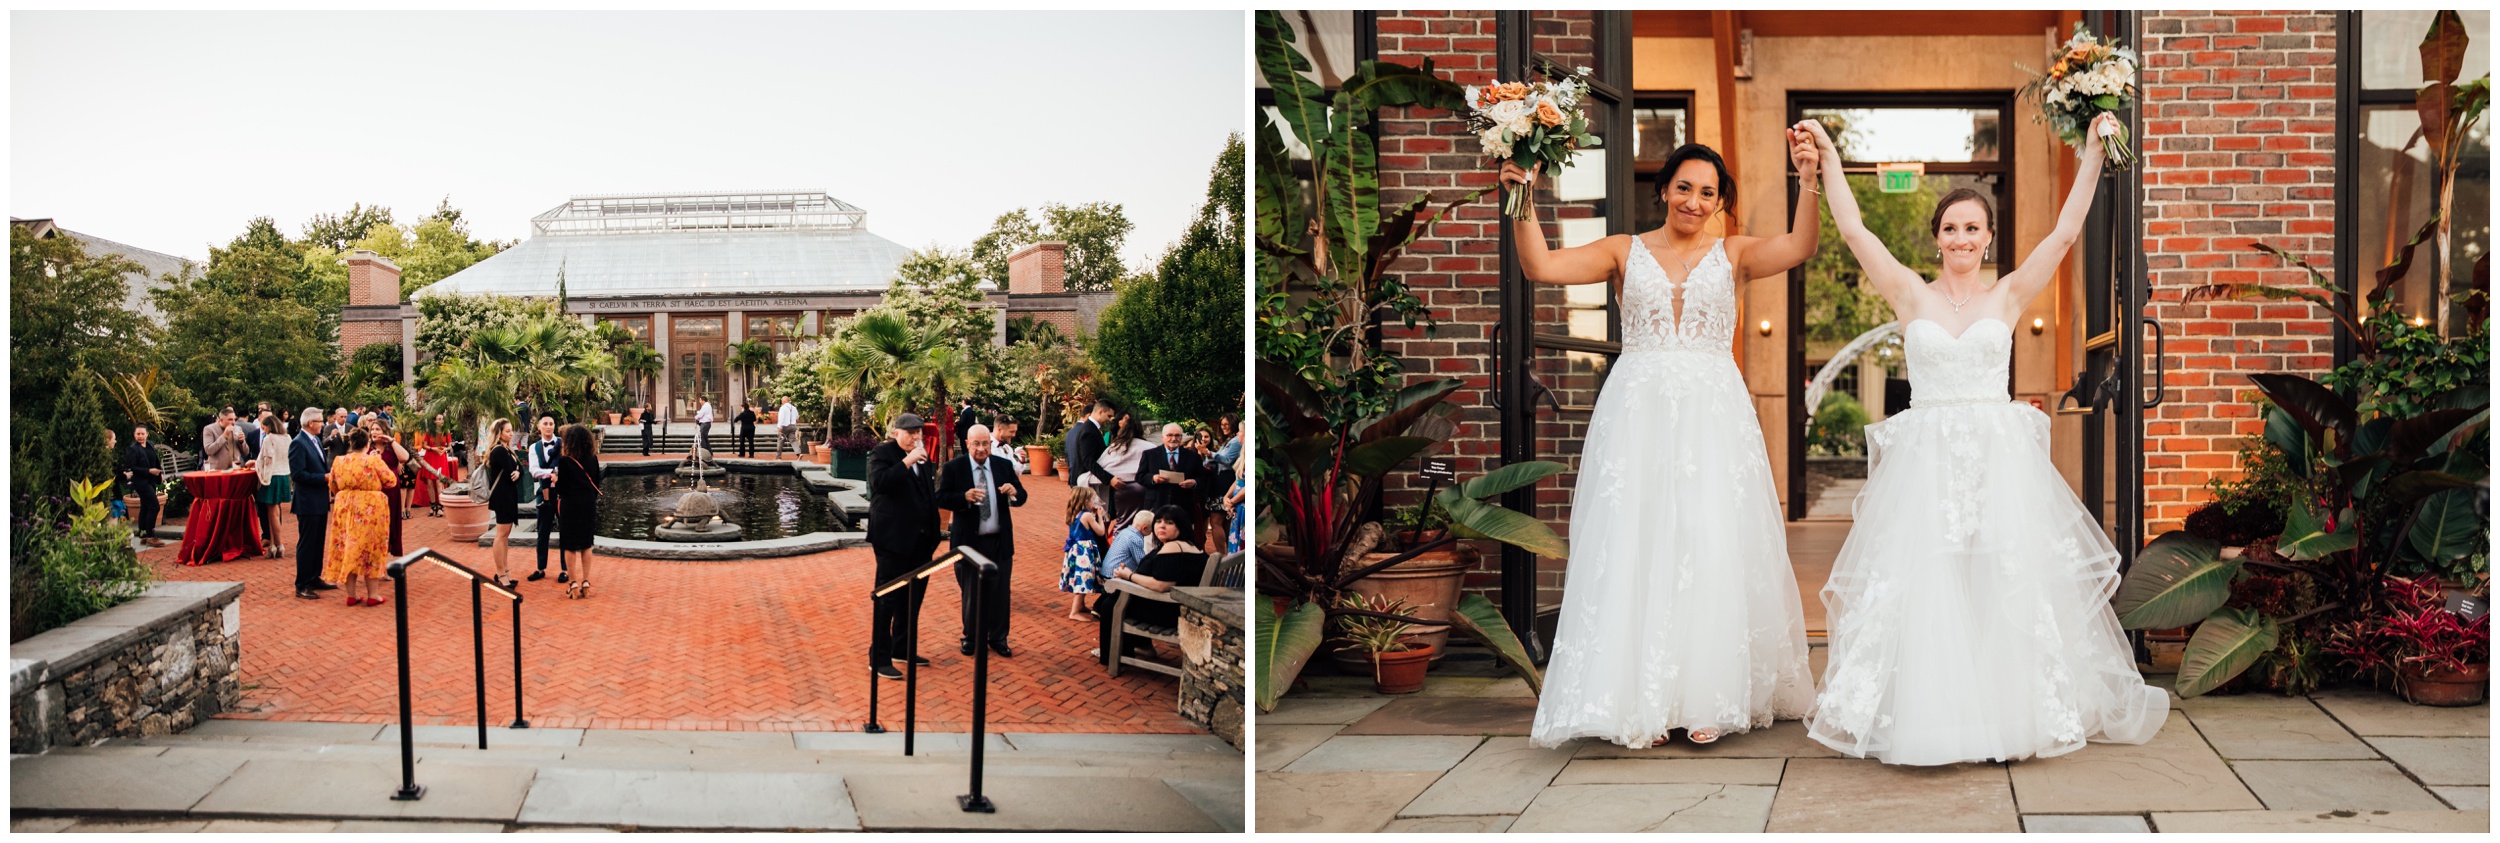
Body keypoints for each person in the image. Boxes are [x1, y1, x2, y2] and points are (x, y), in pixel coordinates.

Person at [1796, 114, 2161, 764]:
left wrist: (2092, 153)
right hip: (1927, 459)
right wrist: (1827, 154)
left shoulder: (2011, 295)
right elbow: (1853, 230)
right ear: (1936, 238)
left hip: (1997, 458)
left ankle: (2008, 711)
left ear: (1988, 238)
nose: (1960, 237)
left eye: (1972, 227)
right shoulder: (1909, 294)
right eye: (1950, 227)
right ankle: (1925, 715)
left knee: (2002, 576)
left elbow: (2066, 230)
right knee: (1926, 579)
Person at [1509, 128, 1827, 750]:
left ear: (1719, 201)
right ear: (1663, 190)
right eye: (1685, 187)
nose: (1695, 201)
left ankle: (1708, 693)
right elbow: (1539, 267)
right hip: (1639, 411)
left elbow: (1801, 245)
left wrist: (1808, 179)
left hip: (1713, 412)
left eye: (1709, 192)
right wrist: (1521, 196)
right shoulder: (1623, 250)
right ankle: (1642, 699)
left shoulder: (1733, 254)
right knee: (1641, 537)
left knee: (1709, 538)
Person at [866, 413, 942, 680]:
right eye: (911, 433)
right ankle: (879, 657)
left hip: (921, 542)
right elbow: (879, 484)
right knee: (887, 598)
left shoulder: (923, 457)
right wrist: (908, 461)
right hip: (892, 541)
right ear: (896, 432)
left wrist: (934, 533)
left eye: (919, 432)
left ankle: (902, 648)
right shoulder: (882, 454)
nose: (917, 437)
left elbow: (927, 495)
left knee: (913, 598)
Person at [940, 424, 1027, 658]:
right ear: (967, 444)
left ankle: (998, 638)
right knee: (971, 592)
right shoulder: (954, 468)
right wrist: (963, 497)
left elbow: (1022, 495)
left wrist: (1014, 492)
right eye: (976, 444)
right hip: (968, 542)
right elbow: (941, 497)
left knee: (1000, 592)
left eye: (985, 443)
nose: (981, 449)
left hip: (999, 540)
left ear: (991, 443)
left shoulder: (1003, 466)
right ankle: (971, 637)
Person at [1099, 506, 1207, 666]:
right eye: (1158, 521)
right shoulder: (1193, 546)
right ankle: (1136, 647)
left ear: (1181, 525)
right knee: (1118, 599)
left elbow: (1162, 585)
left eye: (1169, 522)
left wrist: (1128, 575)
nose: (1161, 526)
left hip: (1170, 611)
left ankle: (1113, 656)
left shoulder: (1173, 547)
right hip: (1182, 606)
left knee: (1111, 604)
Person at [324, 426, 395, 607]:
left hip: (345, 506)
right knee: (371, 546)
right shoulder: (373, 461)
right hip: (370, 507)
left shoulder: (339, 461)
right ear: (367, 443)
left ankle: (351, 594)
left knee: (347, 545)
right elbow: (391, 480)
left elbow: (332, 484)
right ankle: (373, 594)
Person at [553, 424, 604, 599]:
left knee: (569, 544)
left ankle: (573, 583)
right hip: (588, 503)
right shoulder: (593, 459)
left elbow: (562, 488)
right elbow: (597, 481)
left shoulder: (565, 462)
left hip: (570, 504)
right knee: (586, 544)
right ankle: (586, 582)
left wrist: (555, 480)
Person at [290, 408, 336, 599]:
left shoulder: (315, 439)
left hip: (319, 499)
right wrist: (323, 478)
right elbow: (298, 475)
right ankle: (302, 584)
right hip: (307, 501)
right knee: (307, 543)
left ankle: (314, 576)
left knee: (318, 541)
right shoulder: (298, 444)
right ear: (310, 423)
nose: (323, 424)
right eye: (319, 421)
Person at [1136, 423, 1206, 532]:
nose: (1173, 439)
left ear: (1181, 437)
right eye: (1169, 435)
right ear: (1162, 437)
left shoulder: (1193, 457)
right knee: (1155, 541)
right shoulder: (1150, 455)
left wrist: (1194, 482)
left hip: (1183, 506)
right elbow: (1140, 477)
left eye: (1177, 435)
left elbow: (1202, 479)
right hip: (1157, 504)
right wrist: (1153, 478)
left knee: (1182, 539)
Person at [478, 419, 522, 588]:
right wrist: (517, 471)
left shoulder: (507, 449)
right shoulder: (499, 451)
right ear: (499, 433)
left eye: (511, 431)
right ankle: (501, 572)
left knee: (505, 535)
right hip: (502, 495)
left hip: (508, 495)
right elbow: (512, 470)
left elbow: (520, 469)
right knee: (501, 535)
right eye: (508, 431)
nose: (511, 434)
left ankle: (505, 570)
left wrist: (518, 471)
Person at [525, 414, 566, 582]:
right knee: (542, 532)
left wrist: (556, 473)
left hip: (562, 494)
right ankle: (540, 568)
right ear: (539, 427)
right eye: (545, 424)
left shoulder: (563, 445)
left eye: (551, 423)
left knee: (565, 531)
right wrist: (553, 473)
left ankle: (566, 569)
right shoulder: (534, 447)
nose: (548, 426)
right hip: (543, 494)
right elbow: (534, 471)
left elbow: (566, 467)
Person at [1058, 485, 1109, 620]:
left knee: (1079, 575)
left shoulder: (1071, 513)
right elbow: (1100, 531)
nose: (1093, 502)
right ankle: (1074, 612)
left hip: (1074, 549)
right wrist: (1099, 516)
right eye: (1092, 499)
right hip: (1084, 550)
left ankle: (1080, 605)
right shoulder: (1086, 515)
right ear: (1086, 501)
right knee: (1084, 577)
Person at [1095, 415, 1156, 526]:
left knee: (1122, 521)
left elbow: (1102, 465)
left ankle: (1121, 541)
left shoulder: (1114, 447)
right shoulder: (1150, 446)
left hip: (1120, 488)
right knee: (1143, 522)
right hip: (1142, 489)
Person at [364, 417, 411, 556]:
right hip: (373, 491)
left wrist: (391, 440)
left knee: (391, 524)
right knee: (375, 526)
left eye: (377, 429)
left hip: (391, 491)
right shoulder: (367, 446)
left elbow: (404, 458)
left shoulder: (391, 446)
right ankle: (376, 558)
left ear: (385, 431)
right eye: (372, 429)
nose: (374, 432)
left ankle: (389, 556)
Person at [121, 424, 167, 548]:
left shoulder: (150, 445)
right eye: (138, 434)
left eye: (142, 434)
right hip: (141, 482)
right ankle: (151, 536)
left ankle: (143, 535)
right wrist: (148, 471)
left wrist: (159, 472)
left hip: (151, 480)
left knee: (146, 507)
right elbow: (132, 467)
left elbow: (156, 461)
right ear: (134, 435)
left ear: (147, 434)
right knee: (154, 506)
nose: (140, 436)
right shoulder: (133, 449)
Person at [255, 413, 293, 558]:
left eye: (264, 427)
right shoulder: (287, 438)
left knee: (273, 513)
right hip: (284, 475)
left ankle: (278, 544)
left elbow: (266, 459)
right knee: (275, 511)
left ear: (269, 426)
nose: (263, 430)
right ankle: (273, 545)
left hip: (272, 476)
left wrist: (258, 467)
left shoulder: (269, 438)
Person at [1064, 400, 1115, 488]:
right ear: (1100, 412)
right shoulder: (1089, 430)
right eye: (1109, 416)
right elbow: (1088, 460)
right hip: (1085, 482)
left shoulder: (1090, 428)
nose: (1109, 420)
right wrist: (1109, 479)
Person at [1223, 457, 1248, 558]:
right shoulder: (1242, 456)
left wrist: (1232, 501)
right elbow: (1239, 479)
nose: (1238, 439)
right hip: (1237, 506)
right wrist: (1226, 497)